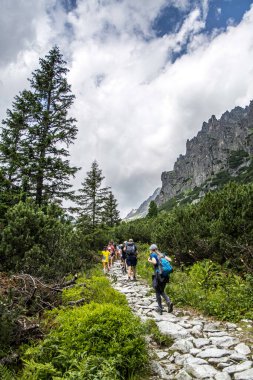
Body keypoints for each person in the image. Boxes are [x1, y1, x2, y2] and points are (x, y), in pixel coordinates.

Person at [148, 244, 173, 315]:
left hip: (158, 275)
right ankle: (168, 301)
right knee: (161, 290)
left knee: (157, 291)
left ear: (151, 250)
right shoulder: (162, 254)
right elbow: (170, 260)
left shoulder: (153, 255)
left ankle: (160, 308)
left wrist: (149, 260)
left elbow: (155, 262)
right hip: (165, 275)